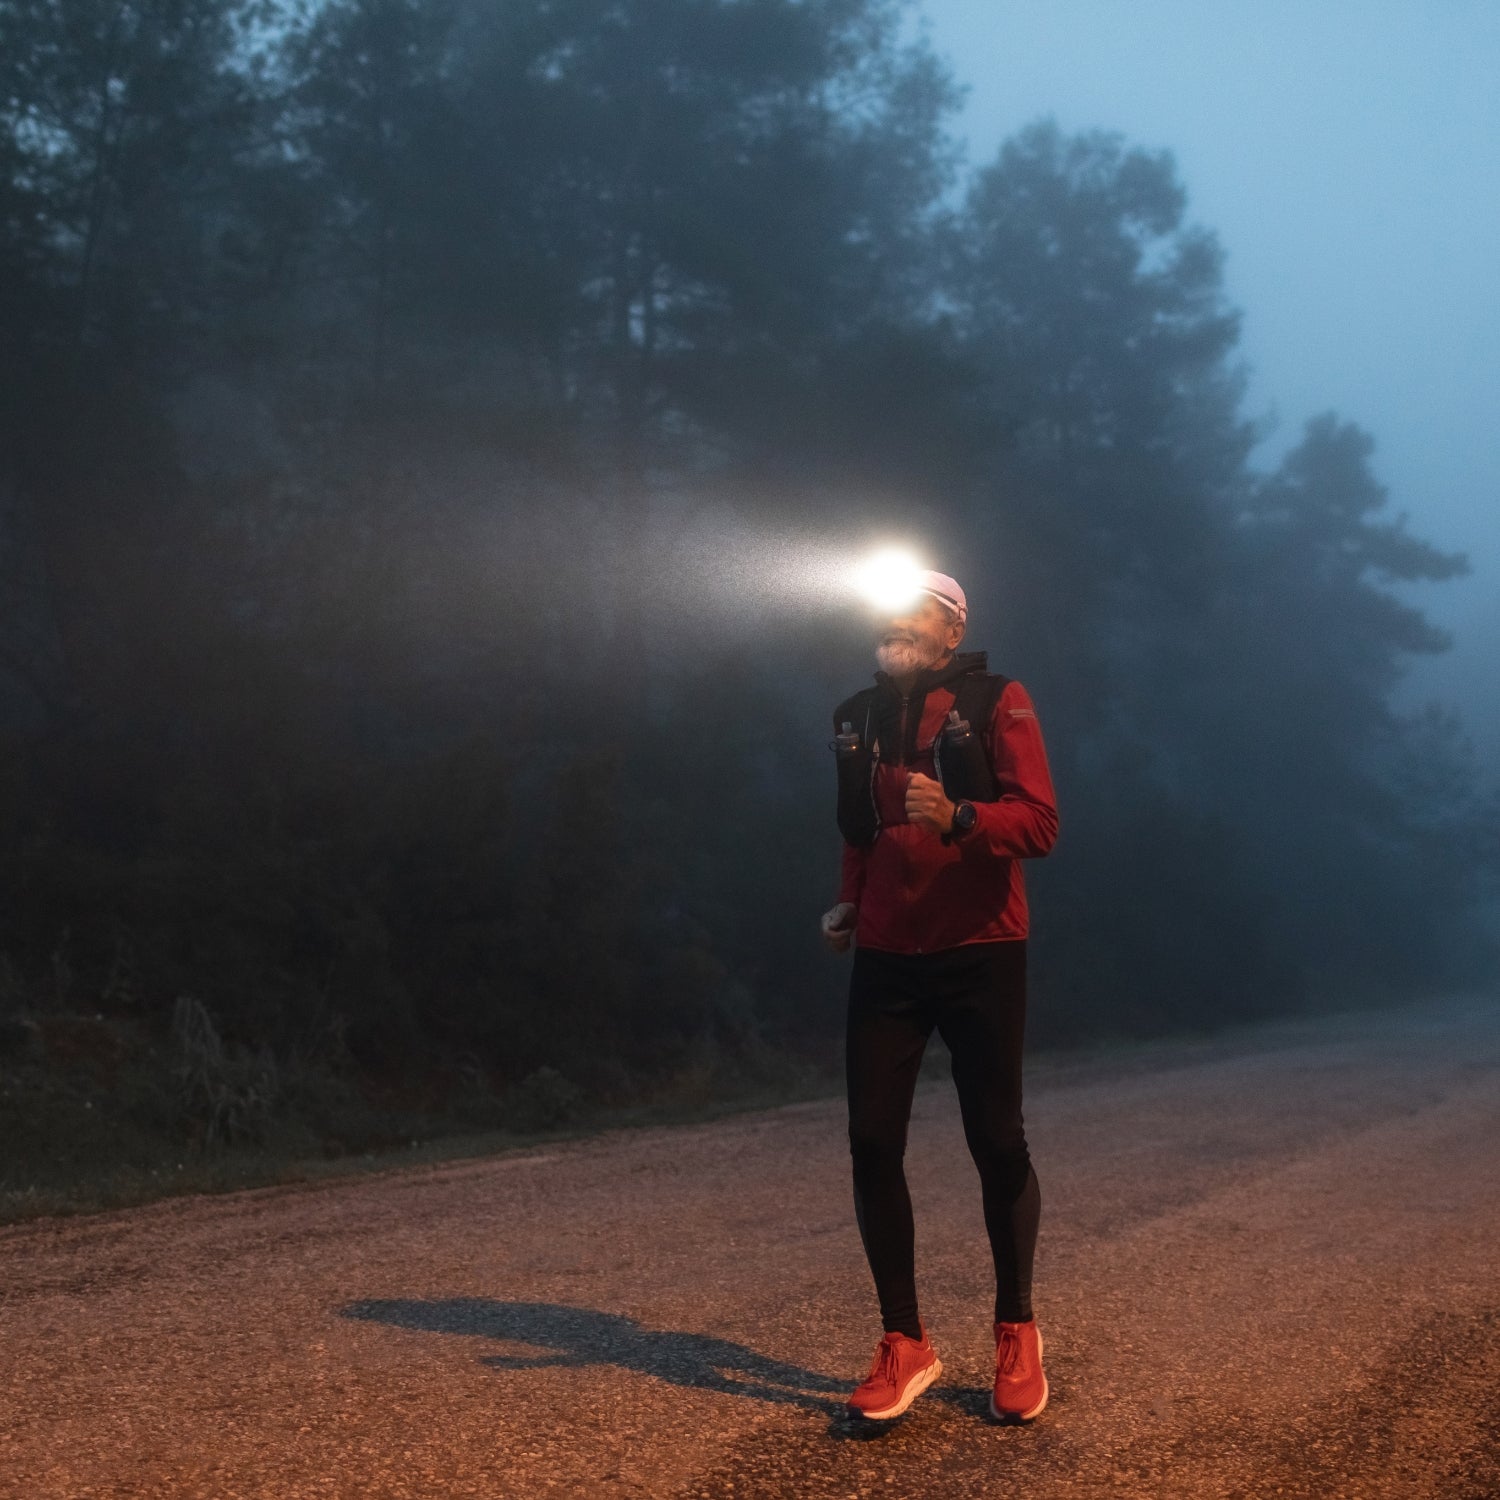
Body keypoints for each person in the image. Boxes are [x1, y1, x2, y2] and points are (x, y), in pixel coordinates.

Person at [822, 569, 1059, 1423]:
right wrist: (851, 897)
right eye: (883, 611)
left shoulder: (997, 699)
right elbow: (859, 826)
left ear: (951, 632)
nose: (893, 623)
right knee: (871, 1141)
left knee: (996, 1141)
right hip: (887, 956)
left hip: (981, 950)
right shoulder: (856, 715)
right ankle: (905, 1342)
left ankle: (1018, 1330)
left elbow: (1039, 824)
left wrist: (961, 818)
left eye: (913, 611)